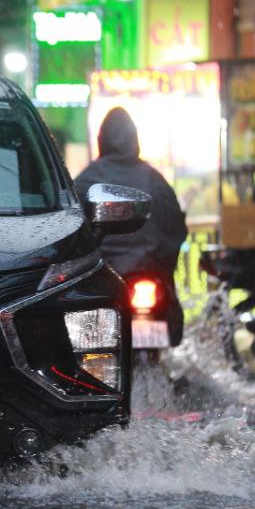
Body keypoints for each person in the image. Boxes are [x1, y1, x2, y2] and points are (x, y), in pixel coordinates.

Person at [72, 107, 188, 346]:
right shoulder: (156, 181)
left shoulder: (84, 181)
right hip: (149, 276)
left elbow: (72, 240)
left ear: (102, 139)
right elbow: (176, 231)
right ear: (135, 140)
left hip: (106, 285)